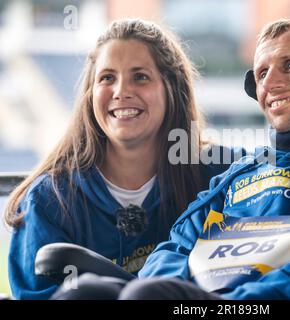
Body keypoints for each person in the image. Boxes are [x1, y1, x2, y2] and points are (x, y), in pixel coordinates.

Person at [53, 16, 290, 300]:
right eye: (262, 72)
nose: (271, 84)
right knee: (84, 291)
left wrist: (235, 301)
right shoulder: (239, 175)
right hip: (201, 301)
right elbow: (175, 248)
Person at [4, 19, 240, 300]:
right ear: (90, 94)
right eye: (107, 78)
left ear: (171, 88)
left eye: (140, 76)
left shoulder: (222, 177)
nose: (121, 91)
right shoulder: (48, 199)